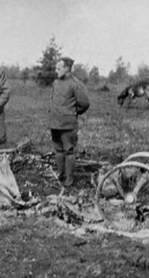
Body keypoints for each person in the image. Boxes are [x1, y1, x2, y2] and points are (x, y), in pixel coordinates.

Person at [48, 56, 90, 187]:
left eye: (59, 68)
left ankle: (69, 179)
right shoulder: (56, 83)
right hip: (55, 123)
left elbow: (84, 103)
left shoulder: (76, 84)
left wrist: (72, 113)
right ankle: (59, 175)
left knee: (69, 151)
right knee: (58, 150)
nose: (56, 70)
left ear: (67, 69)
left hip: (67, 124)